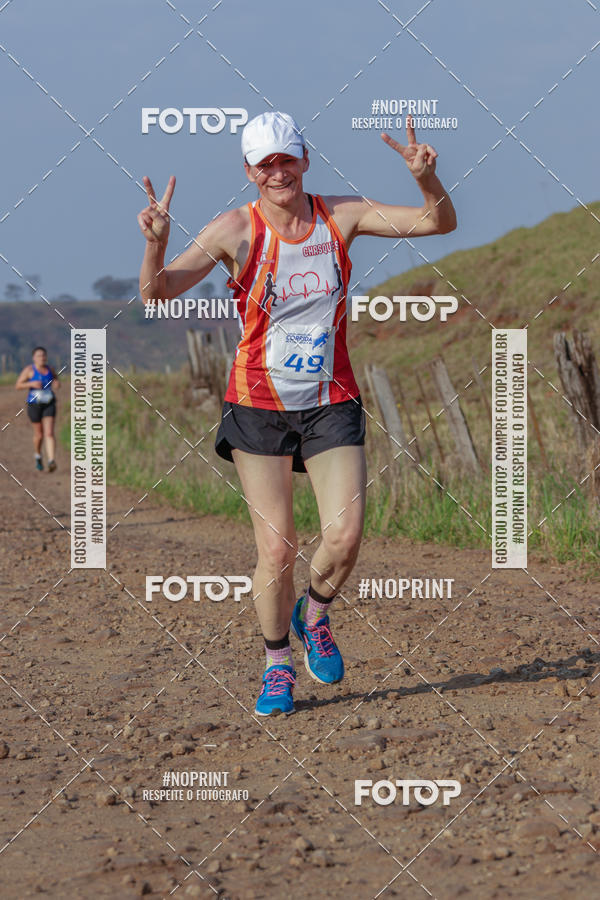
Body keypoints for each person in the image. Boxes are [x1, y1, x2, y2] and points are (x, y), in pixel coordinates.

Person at [138, 111, 456, 715]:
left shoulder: (341, 215)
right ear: (249, 171)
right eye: (266, 163)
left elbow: (439, 223)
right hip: (257, 405)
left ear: (304, 159)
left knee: (345, 535)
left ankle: (316, 615)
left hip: (331, 398)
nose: (278, 172)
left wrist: (426, 179)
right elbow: (156, 295)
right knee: (276, 551)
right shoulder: (234, 228)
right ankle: (277, 665)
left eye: (287, 159)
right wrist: (155, 244)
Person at [16, 346, 60, 471]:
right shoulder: (29, 370)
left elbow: (56, 380)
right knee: (39, 435)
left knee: (49, 433)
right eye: (39, 355)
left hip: (49, 403)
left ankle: (51, 460)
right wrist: (30, 384)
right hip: (34, 404)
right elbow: (18, 385)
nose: (42, 358)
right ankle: (38, 455)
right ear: (34, 358)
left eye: (43, 355)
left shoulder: (50, 369)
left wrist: (57, 384)